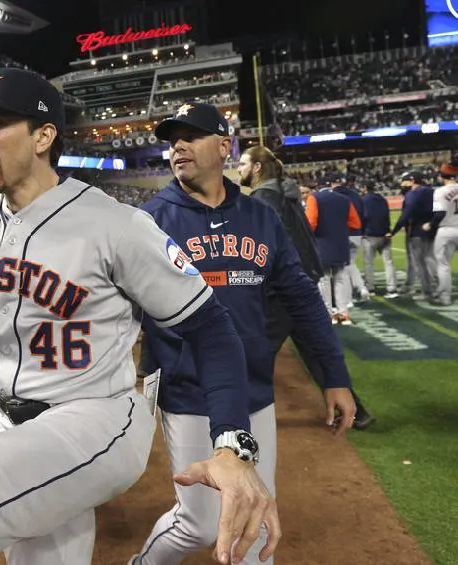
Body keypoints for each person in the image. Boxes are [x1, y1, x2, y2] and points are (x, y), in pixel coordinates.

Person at [0, 52, 279, 565]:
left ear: (43, 137)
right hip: (19, 426)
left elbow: (212, 328)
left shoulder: (114, 224)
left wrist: (232, 444)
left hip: (96, 419)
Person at [131, 110, 357, 565]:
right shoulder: (149, 220)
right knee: (197, 524)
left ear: (224, 147)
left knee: (254, 518)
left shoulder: (261, 216)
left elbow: (302, 298)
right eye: (173, 140)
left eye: (191, 137)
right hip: (188, 392)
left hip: (254, 392)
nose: (178, 147)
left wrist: (334, 375)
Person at [239, 147, 375, 430]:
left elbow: (266, 249)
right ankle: (358, 412)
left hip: (284, 290)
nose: (237, 168)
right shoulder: (285, 195)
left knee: (252, 353)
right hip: (303, 281)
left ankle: (238, 416)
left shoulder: (264, 198)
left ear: (257, 169)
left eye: (242, 163)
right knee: (315, 352)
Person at [305, 179, 362, 324]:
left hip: (321, 243)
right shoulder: (344, 199)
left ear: (318, 187)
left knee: (324, 279)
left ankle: (328, 313)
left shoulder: (314, 198)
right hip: (340, 244)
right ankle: (343, 313)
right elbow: (355, 223)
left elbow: (311, 222)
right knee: (340, 278)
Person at [391, 171, 438, 299]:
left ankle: (427, 291)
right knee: (430, 259)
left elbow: (406, 215)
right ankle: (439, 285)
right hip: (431, 230)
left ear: (412, 181)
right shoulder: (431, 191)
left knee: (419, 263)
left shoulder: (413, 194)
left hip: (416, 231)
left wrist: (394, 231)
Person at [333, 175, 369, 302]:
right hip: (356, 233)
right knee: (351, 262)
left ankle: (351, 295)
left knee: (344, 266)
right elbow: (365, 215)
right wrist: (362, 231)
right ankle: (360, 288)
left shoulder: (333, 196)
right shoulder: (355, 195)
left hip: (342, 234)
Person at [359, 183, 399, 298]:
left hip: (369, 236)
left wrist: (361, 232)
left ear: (365, 188)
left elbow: (363, 217)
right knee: (389, 263)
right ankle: (392, 289)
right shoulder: (382, 199)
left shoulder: (363, 200)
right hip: (384, 235)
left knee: (368, 264)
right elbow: (386, 216)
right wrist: (388, 231)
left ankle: (370, 288)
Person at [429, 162, 458, 305]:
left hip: (446, 230)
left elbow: (439, 213)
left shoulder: (440, 191)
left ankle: (445, 298)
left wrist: (430, 225)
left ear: (442, 177)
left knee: (443, 264)